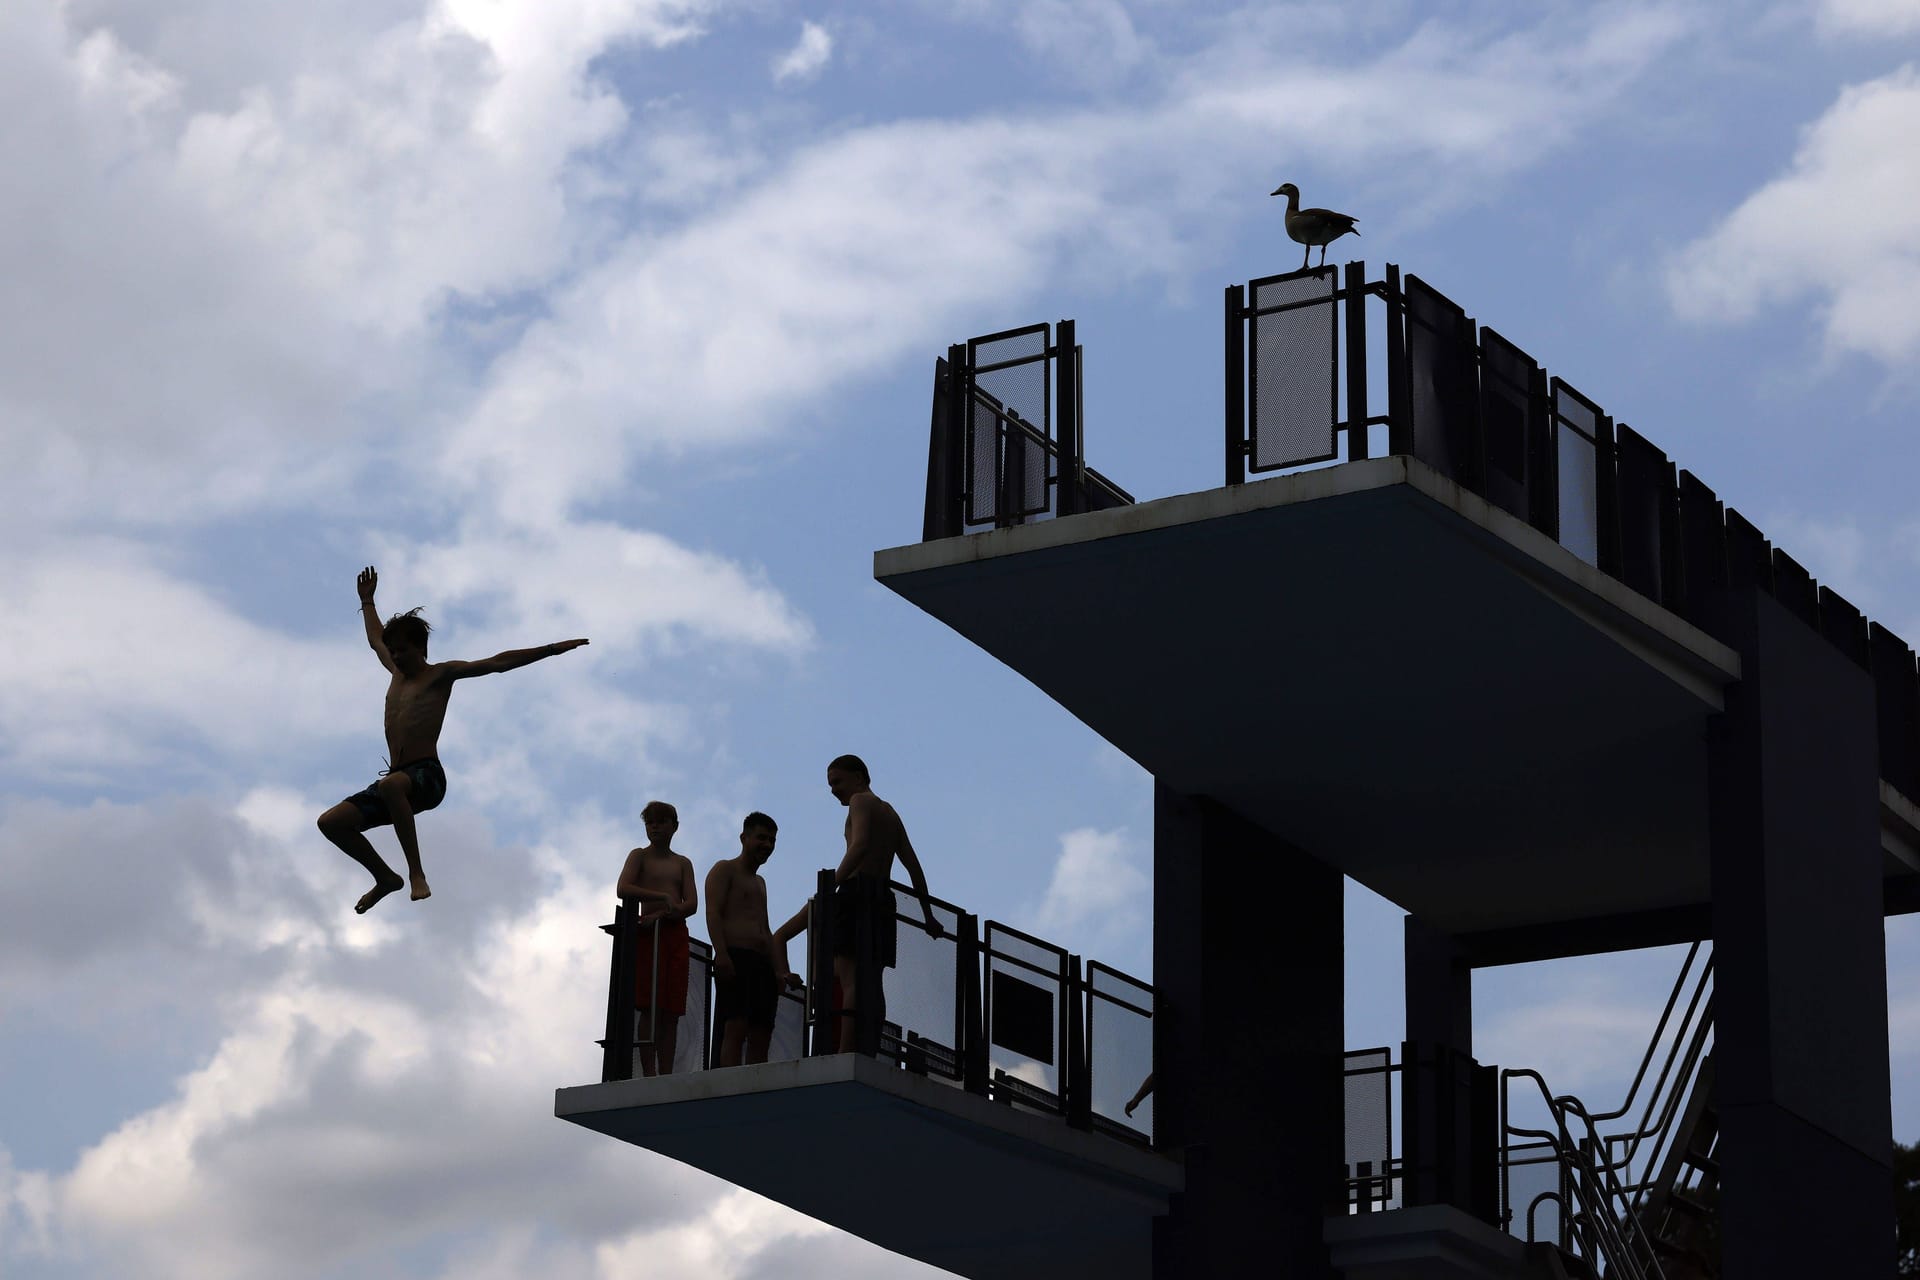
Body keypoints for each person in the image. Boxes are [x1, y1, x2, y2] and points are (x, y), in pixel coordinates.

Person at [317, 566, 587, 914]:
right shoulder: (395, 674)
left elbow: (497, 663)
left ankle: (416, 873)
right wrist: (368, 601)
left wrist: (551, 649)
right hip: (395, 781)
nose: (396, 657)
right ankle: (386, 878)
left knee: (392, 787)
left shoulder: (439, 675)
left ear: (421, 648)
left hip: (426, 777)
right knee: (331, 823)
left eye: (402, 651)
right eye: (393, 652)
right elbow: (375, 639)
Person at [826, 754, 940, 1054]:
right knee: (873, 981)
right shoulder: (890, 813)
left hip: (855, 893)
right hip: (882, 899)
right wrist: (928, 915)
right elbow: (913, 866)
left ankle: (846, 1049)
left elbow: (860, 844)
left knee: (849, 977)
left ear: (859, 776)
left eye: (837, 781)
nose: (833, 790)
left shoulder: (860, 801)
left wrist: (832, 885)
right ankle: (870, 1048)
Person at [617, 801, 698, 1077]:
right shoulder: (639, 856)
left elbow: (692, 904)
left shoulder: (682, 863)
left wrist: (666, 912)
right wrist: (662, 898)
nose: (655, 827)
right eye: (650, 822)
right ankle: (650, 1073)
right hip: (648, 935)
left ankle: (666, 1072)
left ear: (674, 826)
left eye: (661, 821)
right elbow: (623, 888)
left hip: (674, 934)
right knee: (649, 1007)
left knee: (671, 1010)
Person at [705, 812, 784, 1067]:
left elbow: (765, 928)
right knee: (735, 1026)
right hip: (736, 958)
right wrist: (722, 954)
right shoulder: (724, 869)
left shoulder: (760, 882)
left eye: (772, 840)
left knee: (762, 1031)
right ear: (744, 837)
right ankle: (729, 1085)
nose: (767, 845)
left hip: (762, 964)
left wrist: (779, 970)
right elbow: (713, 913)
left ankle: (755, 1088)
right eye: (761, 838)